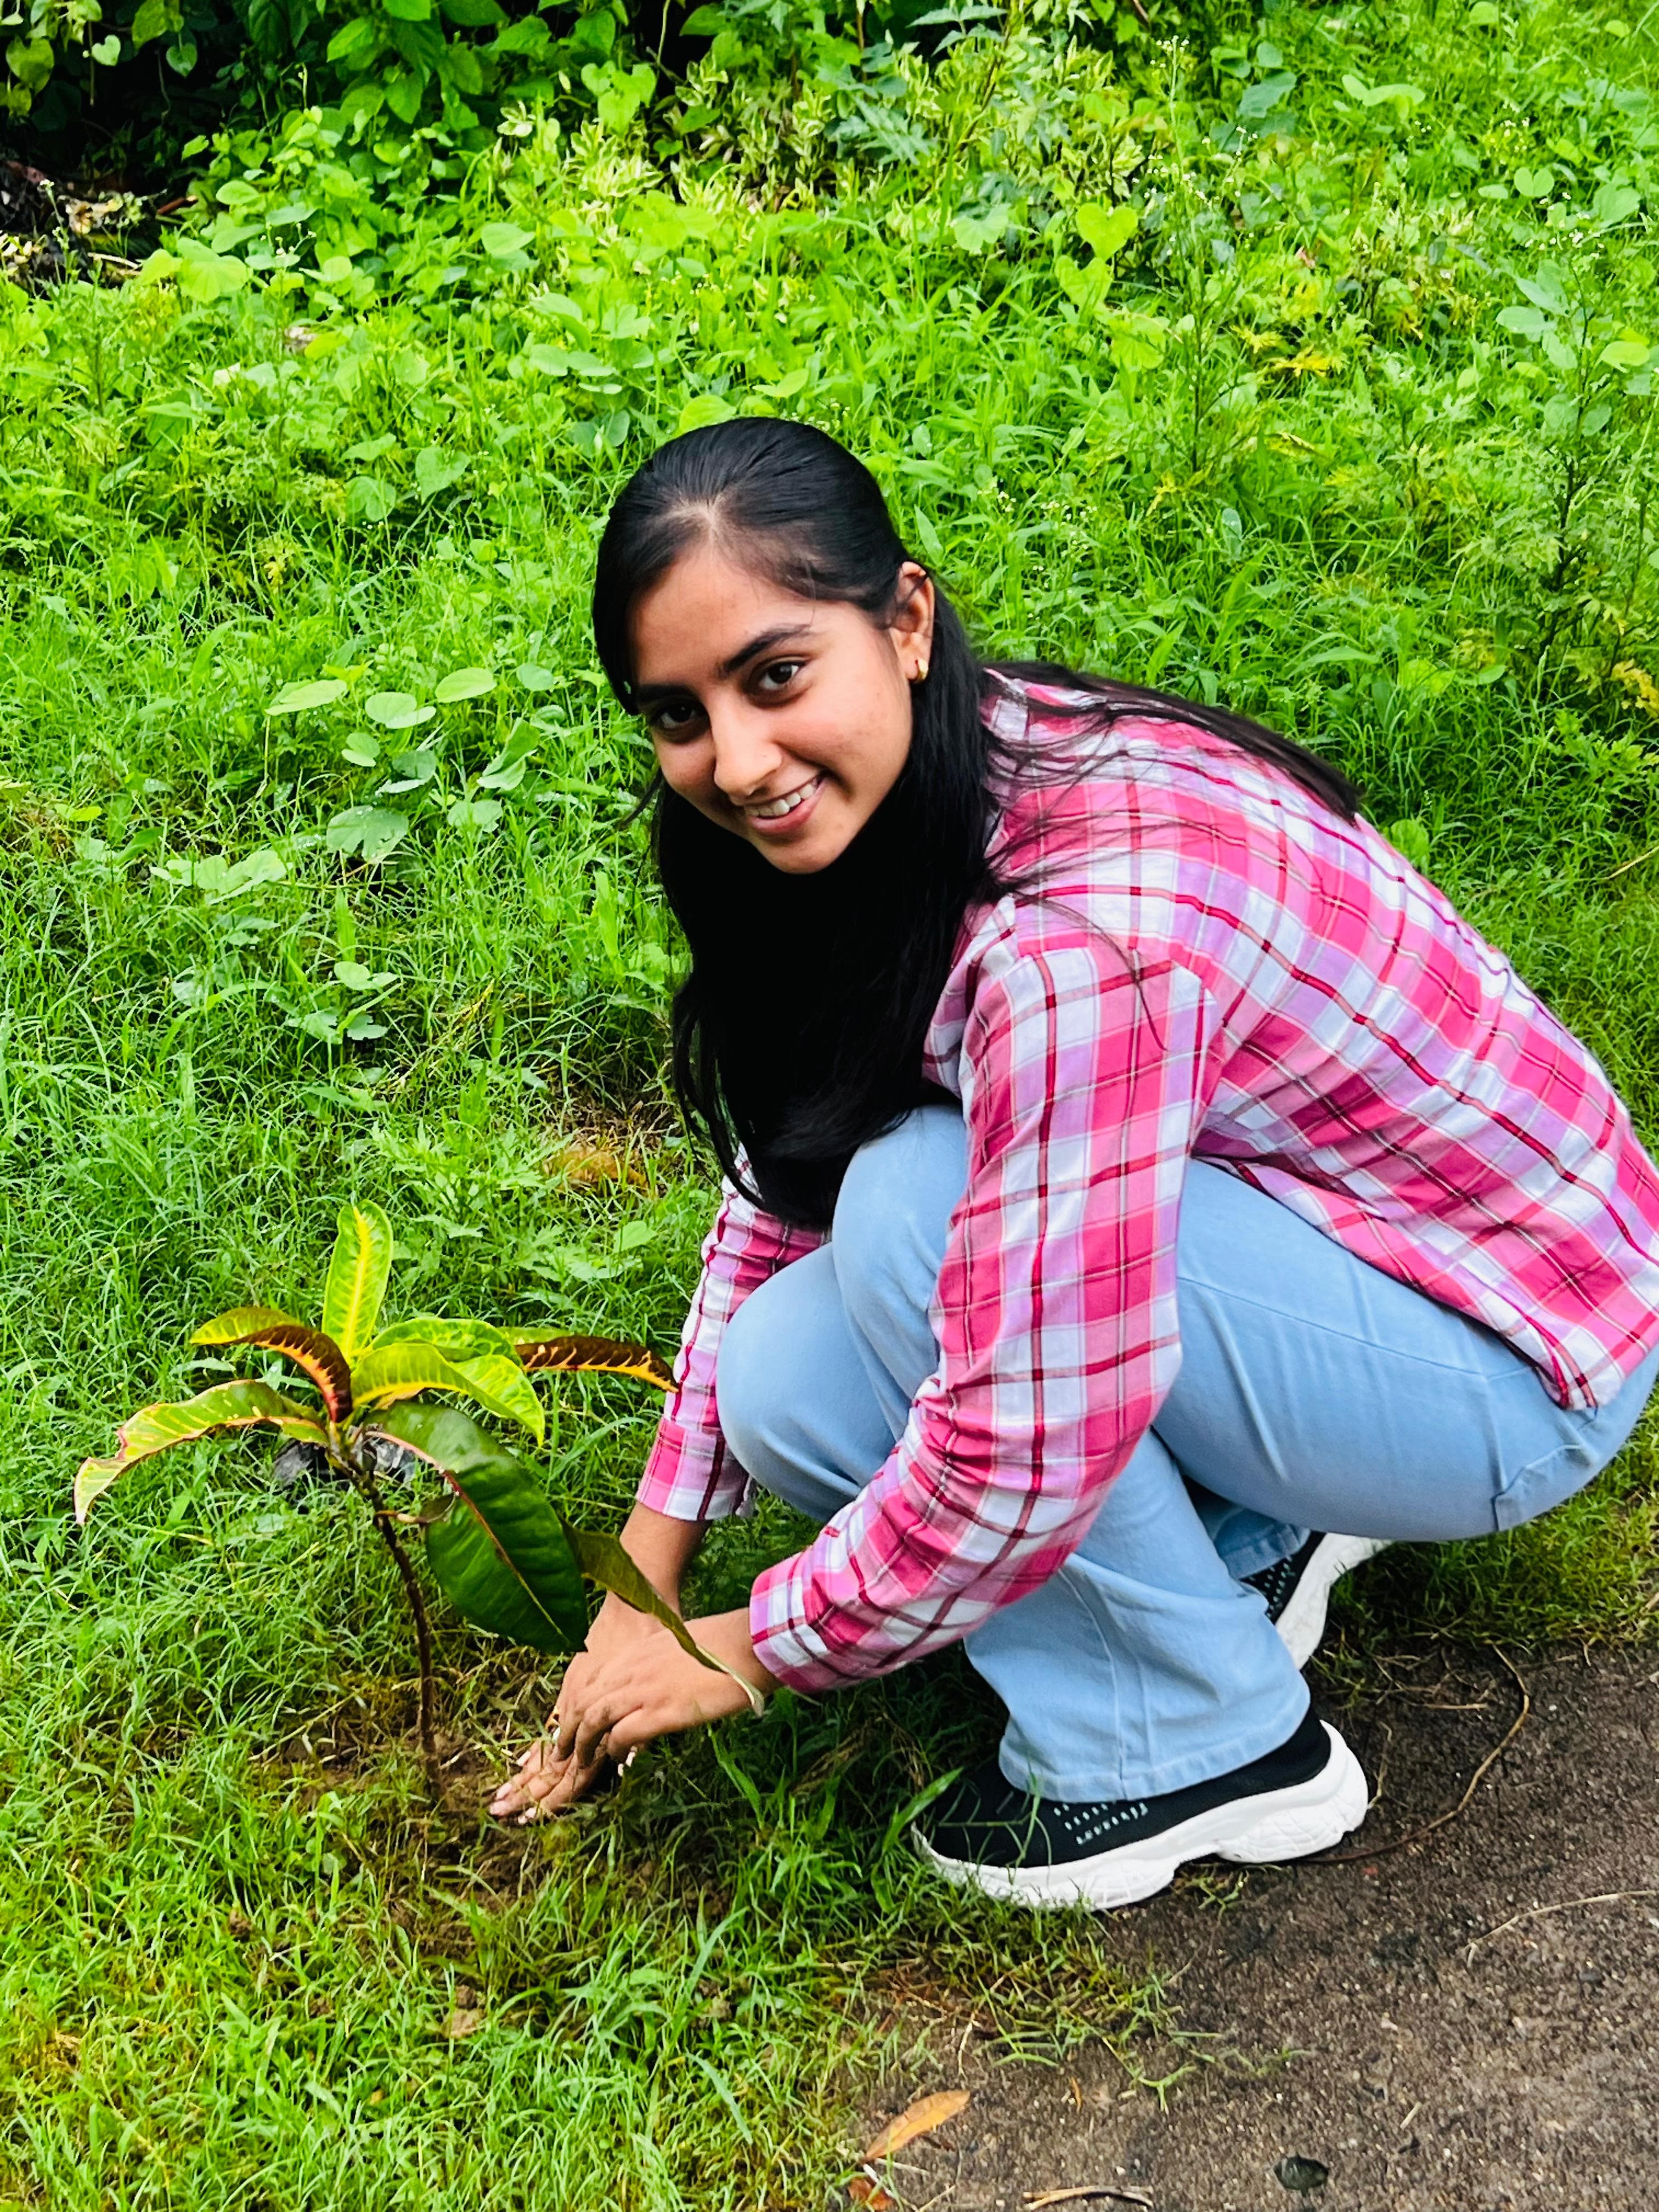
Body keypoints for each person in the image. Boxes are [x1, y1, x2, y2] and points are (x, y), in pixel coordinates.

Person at [489, 419, 1659, 1910]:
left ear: (903, 620)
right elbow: (784, 1178)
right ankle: (1236, 1543)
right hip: (1333, 1261)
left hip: (1510, 1369)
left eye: (775, 676)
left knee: (916, 1204)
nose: (735, 761)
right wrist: (643, 1583)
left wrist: (735, 1652)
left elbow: (1020, 1441)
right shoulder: (928, 776)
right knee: (792, 1370)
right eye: (677, 714)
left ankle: (1205, 1742)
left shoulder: (1069, 954)